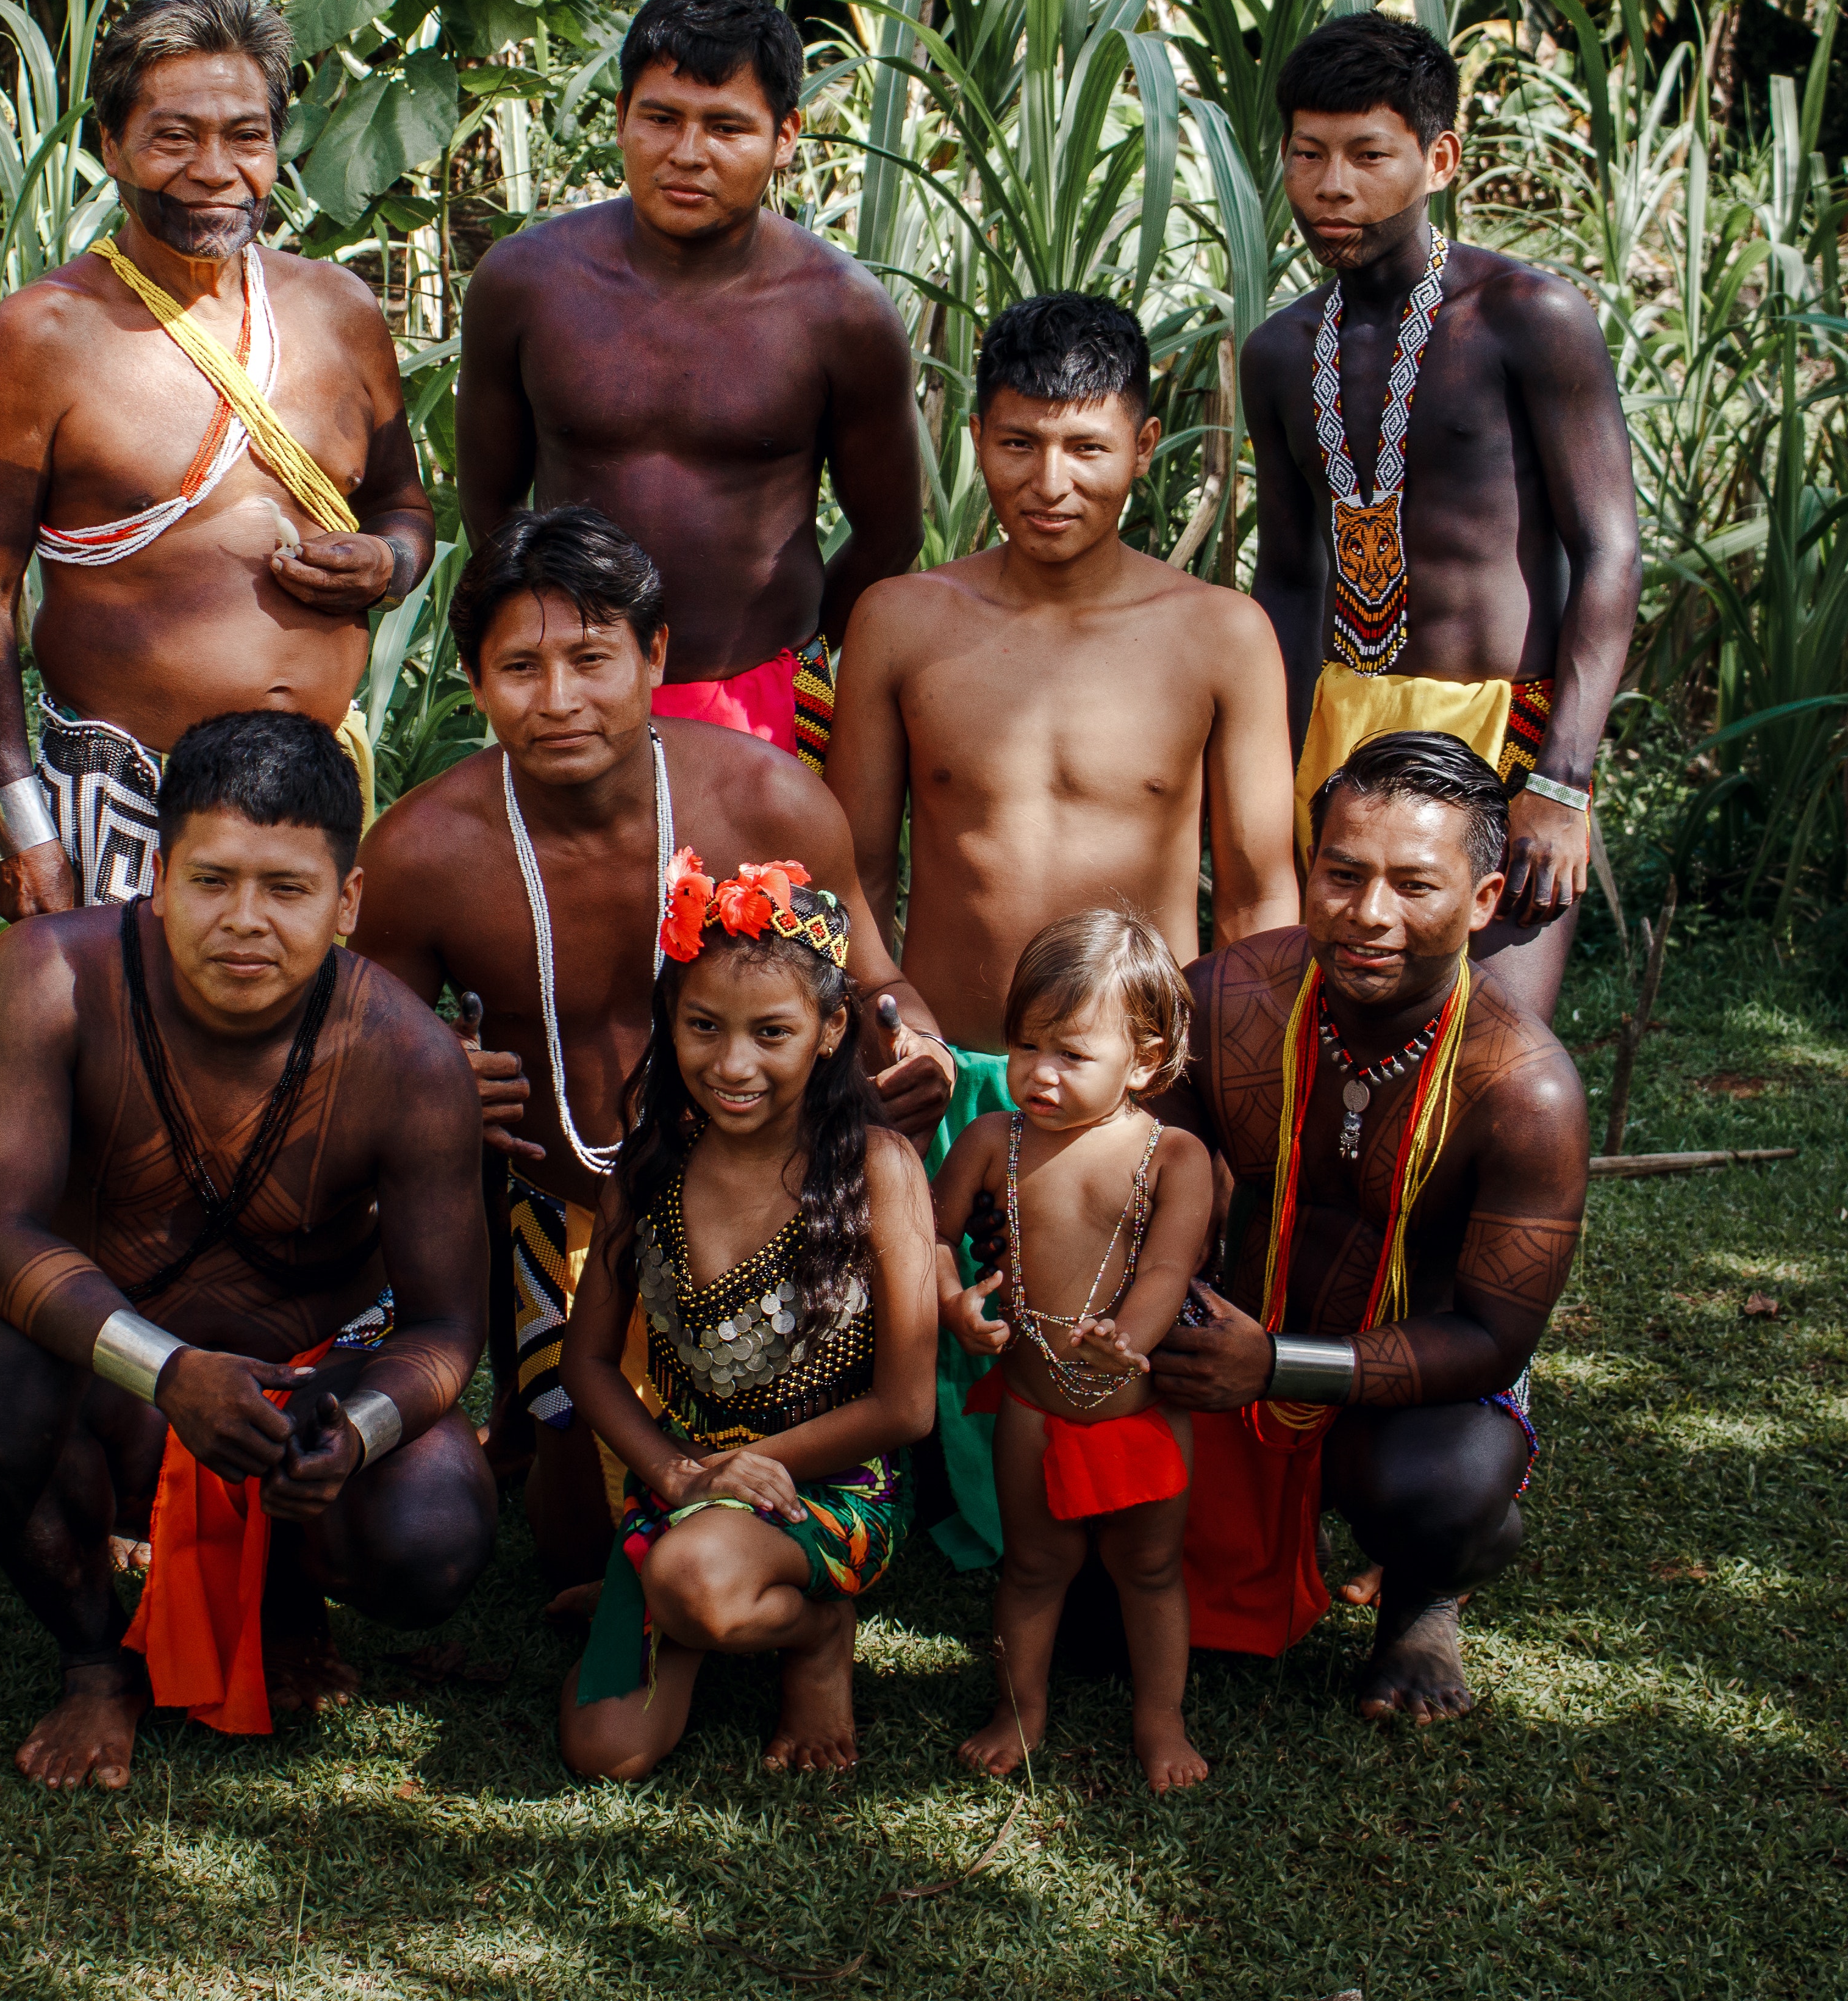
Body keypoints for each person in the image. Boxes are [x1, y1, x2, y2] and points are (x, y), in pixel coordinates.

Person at [352, 507, 958, 1589]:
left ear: (655, 655)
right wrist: (438, 1074)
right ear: (475, 680)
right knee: (582, 1556)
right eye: (521, 667)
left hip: (761, 1203)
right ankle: (547, 1434)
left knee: (742, 1510)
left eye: (592, 659)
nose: (559, 700)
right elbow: (366, 1060)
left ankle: (796, 1539)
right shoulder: (422, 852)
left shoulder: (766, 798)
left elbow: (876, 974)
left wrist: (907, 1035)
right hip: (558, 1204)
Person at [822, 290, 1294, 1566]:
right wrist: (885, 1012)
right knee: (933, 1345)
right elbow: (854, 861)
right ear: (974, 436)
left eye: (1088, 445)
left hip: (1137, 1083)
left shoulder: (1219, 632)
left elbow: (1260, 898)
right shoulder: (903, 619)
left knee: (1106, 1360)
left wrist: (1217, 1098)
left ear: (1145, 444)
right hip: (945, 1066)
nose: (1052, 478)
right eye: (1021, 441)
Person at [0, 714, 494, 1791]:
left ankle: (289, 1587)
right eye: (213, 880)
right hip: (121, 1390)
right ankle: (96, 1662)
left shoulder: (408, 1056)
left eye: (288, 890)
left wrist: (362, 1431)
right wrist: (167, 1373)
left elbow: (445, 1327)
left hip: (307, 1395)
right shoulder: (52, 977)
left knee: (437, 1522)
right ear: (157, 876)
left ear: (348, 903)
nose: (246, 923)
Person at [1141, 731, 1589, 1722]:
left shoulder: (1526, 1092)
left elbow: (1491, 1337)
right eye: (1342, 874)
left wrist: (1273, 1367)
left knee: (1439, 1491)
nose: (1369, 916)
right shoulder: (1221, 1001)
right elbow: (1119, 1176)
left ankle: (1429, 1590)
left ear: (1482, 904)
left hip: (1417, 1380)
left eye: (1414, 885)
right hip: (1227, 1334)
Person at [0, 0, 434, 915]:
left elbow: (404, 506)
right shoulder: (44, 335)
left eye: (245, 136)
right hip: (123, 806)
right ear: (111, 146)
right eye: (173, 137)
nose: (214, 169)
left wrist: (386, 562)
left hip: (313, 811)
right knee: (123, 1060)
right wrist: (23, 826)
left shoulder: (339, 312)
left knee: (306, 1065)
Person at [1242, 12, 1641, 1020]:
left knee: (1490, 1046)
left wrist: (1564, 781)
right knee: (1326, 1053)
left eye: (1370, 155)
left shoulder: (1527, 320)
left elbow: (1609, 550)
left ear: (1439, 158)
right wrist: (1268, 773)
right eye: (1308, 154)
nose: (1334, 186)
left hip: (1503, 728)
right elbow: (1289, 578)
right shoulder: (1282, 353)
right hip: (1339, 726)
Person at [457, 0, 925, 765]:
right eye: (662, 118)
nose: (688, 154)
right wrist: (557, 654)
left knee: (766, 895)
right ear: (621, 120)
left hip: (765, 691)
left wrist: (795, 658)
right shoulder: (527, 284)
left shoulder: (840, 313)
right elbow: (490, 509)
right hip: (571, 703)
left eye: (727, 127)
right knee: (566, 891)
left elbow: (890, 534)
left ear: (785, 136)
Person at [553, 854, 937, 1781]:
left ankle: (813, 1636)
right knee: (605, 1752)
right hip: (682, 1484)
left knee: (695, 1584)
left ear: (831, 1028)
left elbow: (907, 1407)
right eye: (702, 1028)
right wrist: (684, 1477)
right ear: (671, 1024)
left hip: (834, 1486)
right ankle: (681, 1587)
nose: (732, 1065)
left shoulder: (878, 1170)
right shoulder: (646, 1173)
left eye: (772, 1032)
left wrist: (754, 1470)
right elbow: (588, 1367)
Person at [932, 910, 1216, 1791]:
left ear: (1145, 1059)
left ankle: (1160, 1719)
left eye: (1072, 1054)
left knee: (1151, 1568)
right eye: (1026, 1047)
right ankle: (1020, 1711)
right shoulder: (992, 1142)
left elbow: (1171, 1266)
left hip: (1140, 1408)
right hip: (1030, 1405)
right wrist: (954, 1305)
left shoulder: (1173, 1156)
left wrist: (1127, 1339)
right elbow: (930, 1239)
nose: (1039, 1075)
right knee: (1033, 1568)